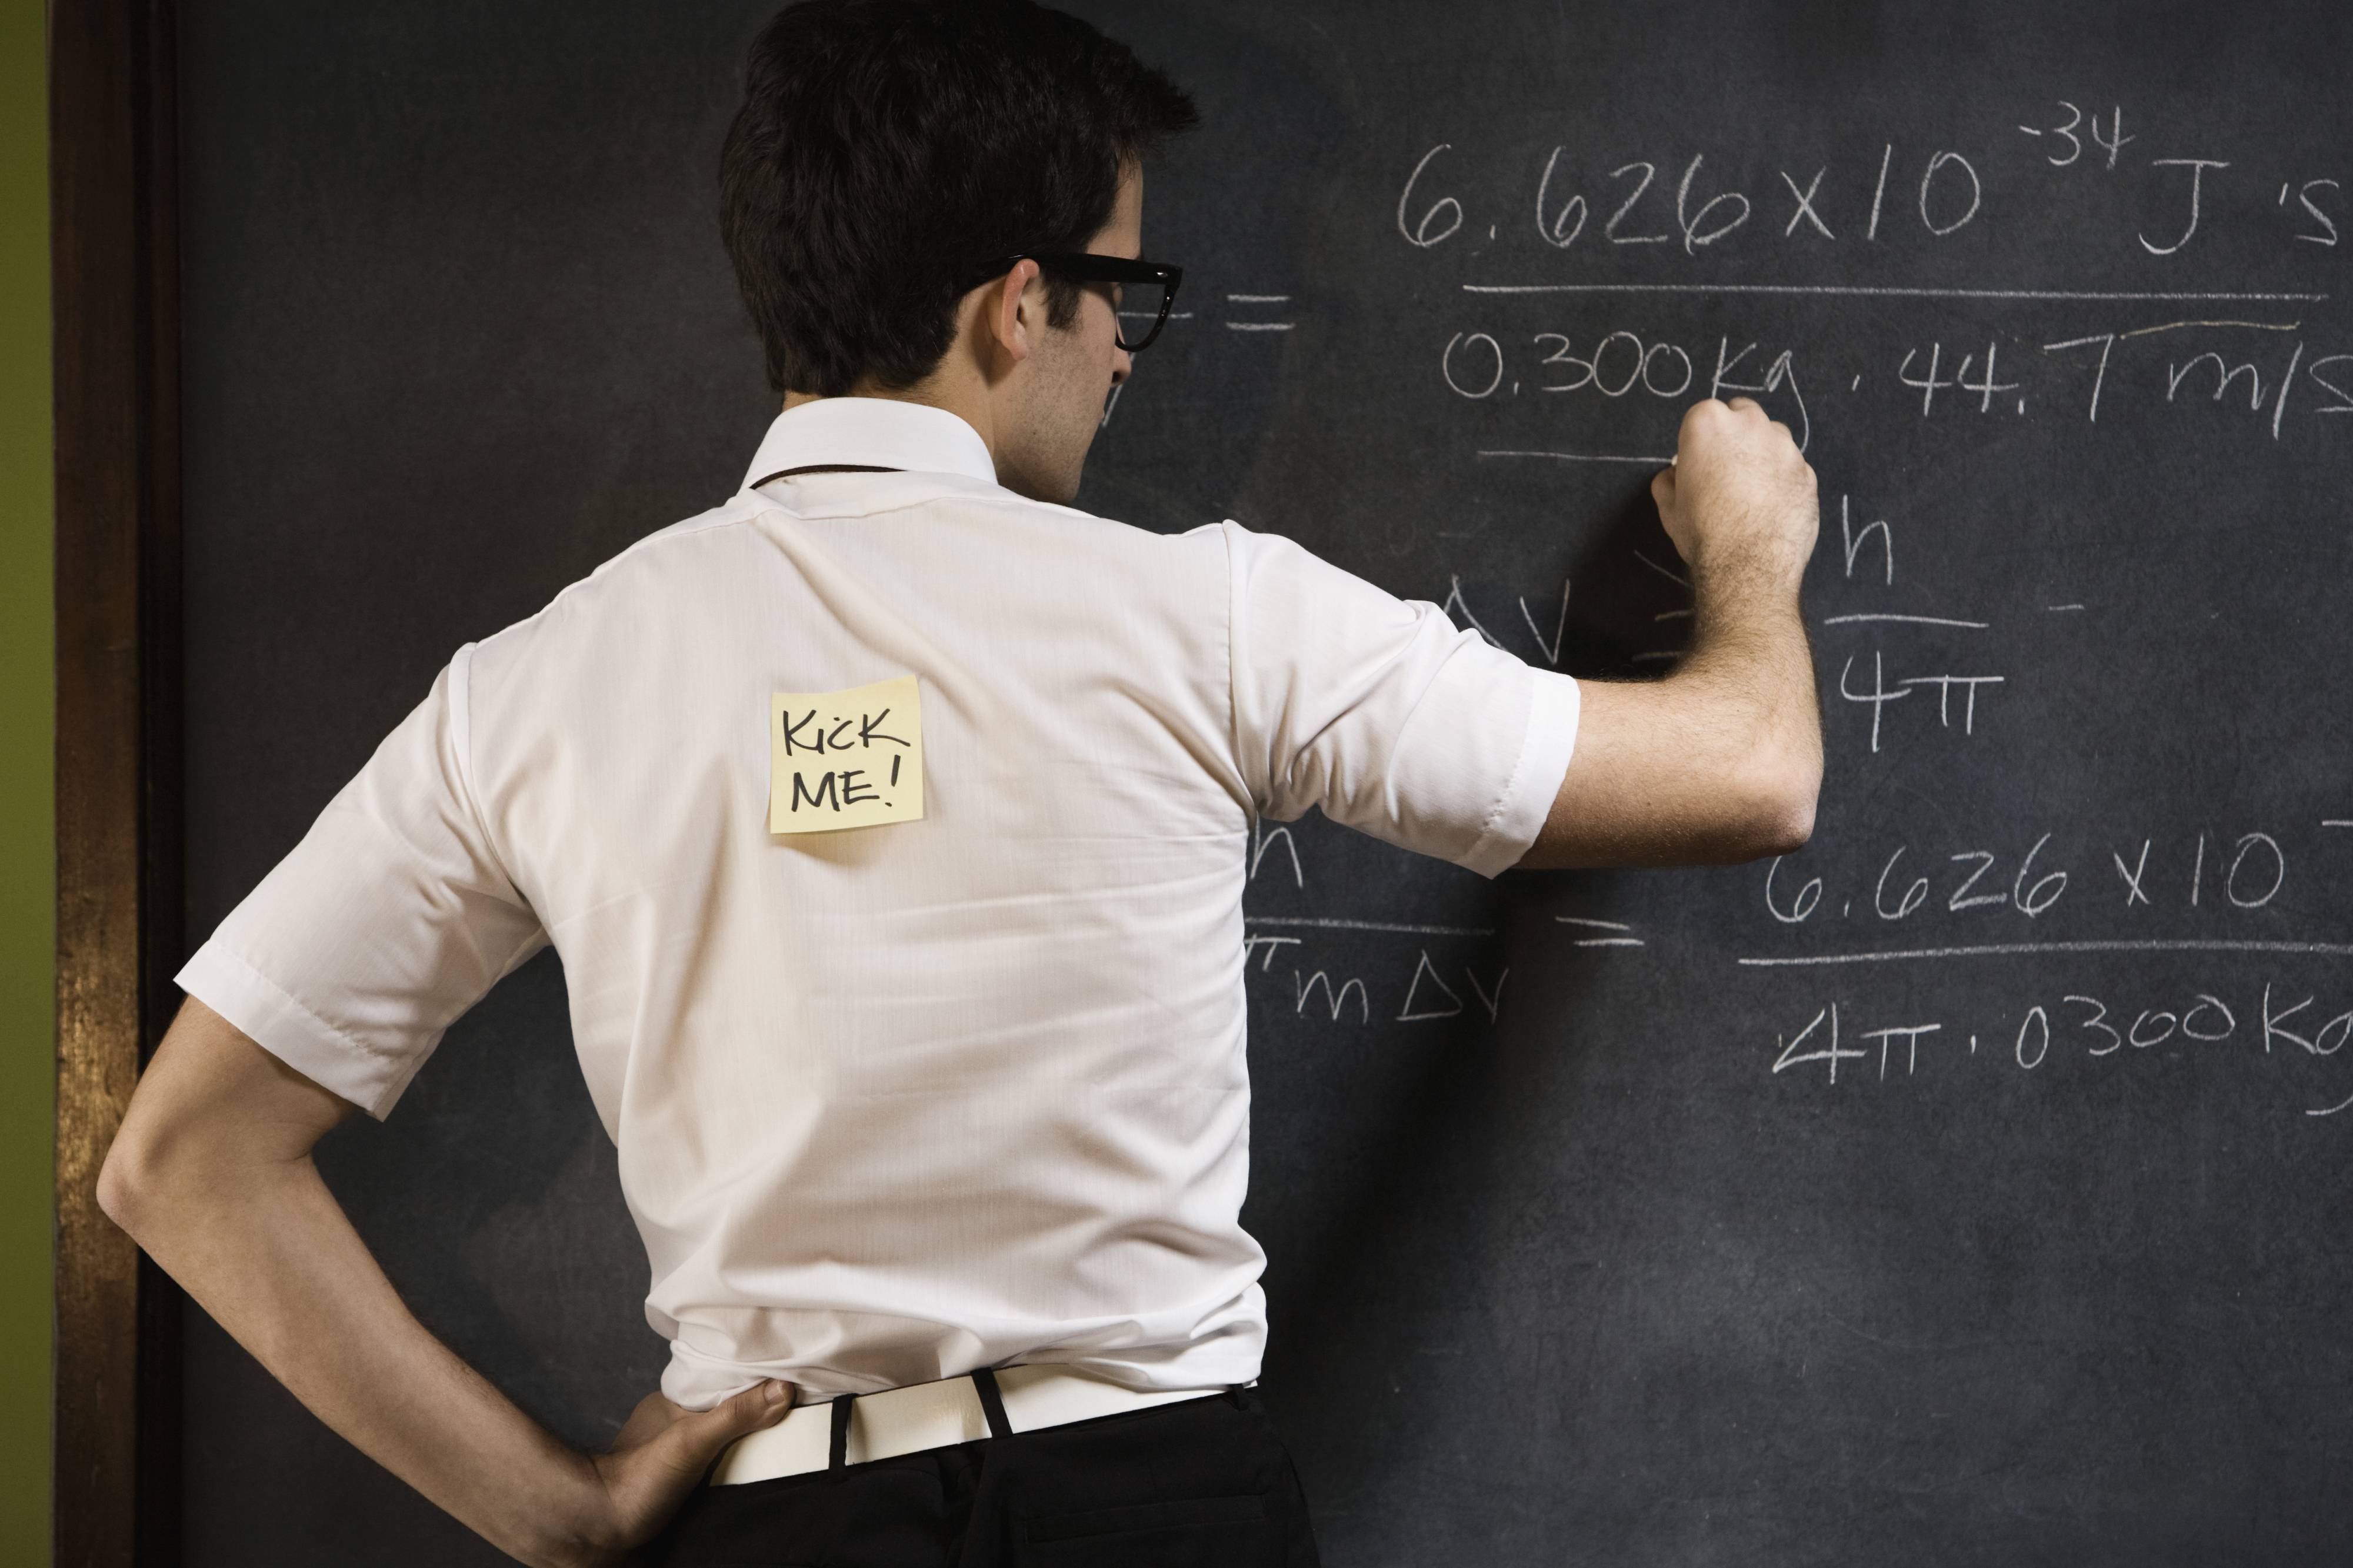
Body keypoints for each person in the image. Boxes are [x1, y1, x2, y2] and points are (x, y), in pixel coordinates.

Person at [96, 1, 1823, 1563]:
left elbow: (180, 1159)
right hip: (1155, 1514)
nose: (1132, 350)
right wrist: (1751, 553)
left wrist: (556, 1509)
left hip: (777, 1523)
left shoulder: (534, 689)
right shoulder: (1208, 613)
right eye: (1125, 288)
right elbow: (1752, 772)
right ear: (1020, 305)